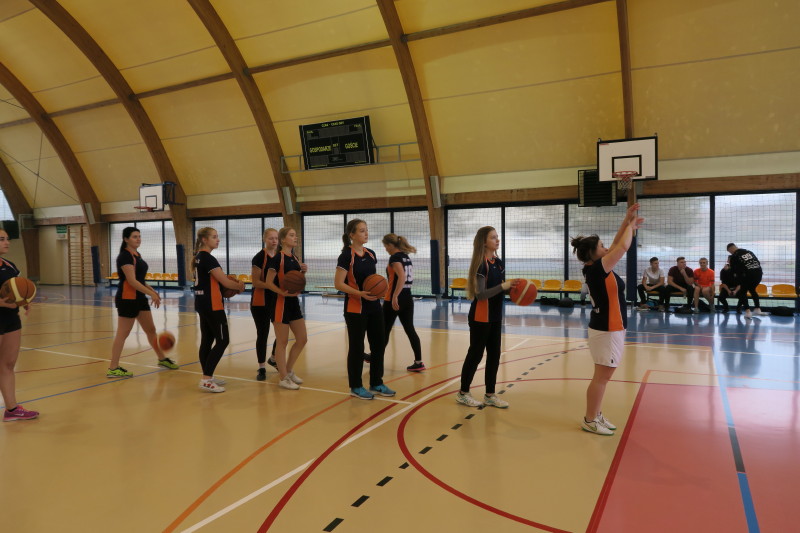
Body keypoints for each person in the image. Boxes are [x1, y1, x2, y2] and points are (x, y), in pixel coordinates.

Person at [571, 203, 644, 435]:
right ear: (592, 254)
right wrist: (631, 227)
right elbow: (622, 246)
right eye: (601, 246)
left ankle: (596, 414)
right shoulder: (597, 269)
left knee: (603, 377)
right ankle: (590, 419)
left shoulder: (597, 266)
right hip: (606, 329)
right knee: (602, 378)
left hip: (610, 328)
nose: (605, 248)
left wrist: (626, 221)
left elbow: (615, 245)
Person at [455, 226, 518, 409]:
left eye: (497, 237)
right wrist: (503, 286)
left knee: (494, 355)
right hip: (480, 317)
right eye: (493, 237)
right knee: (475, 355)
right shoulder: (481, 264)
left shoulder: (499, 262)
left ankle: (490, 395)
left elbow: (499, 289)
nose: (497, 240)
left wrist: (514, 290)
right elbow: (481, 294)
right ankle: (463, 393)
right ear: (484, 242)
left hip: (495, 316)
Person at [334, 219, 395, 400]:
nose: (366, 233)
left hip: (374, 306)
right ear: (352, 235)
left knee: (378, 344)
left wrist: (380, 290)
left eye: (366, 230)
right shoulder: (346, 256)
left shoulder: (371, 254)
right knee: (357, 347)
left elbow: (373, 280)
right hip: (355, 308)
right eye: (361, 231)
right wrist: (359, 293)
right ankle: (356, 386)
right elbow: (338, 283)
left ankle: (376, 382)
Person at [108, 227, 178, 377]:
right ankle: (113, 368)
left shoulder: (137, 255)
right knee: (122, 334)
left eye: (139, 236)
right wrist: (150, 293)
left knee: (151, 330)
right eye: (134, 237)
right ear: (126, 239)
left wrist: (152, 290)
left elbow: (139, 280)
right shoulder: (124, 256)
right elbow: (132, 281)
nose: (138, 239)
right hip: (127, 299)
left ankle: (162, 359)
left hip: (139, 298)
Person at [193, 226, 244, 392]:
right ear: (204, 240)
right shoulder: (208, 258)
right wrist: (239, 286)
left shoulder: (198, 257)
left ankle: (207, 375)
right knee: (223, 340)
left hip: (202, 303)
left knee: (207, 340)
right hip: (213, 304)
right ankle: (206, 379)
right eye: (214, 237)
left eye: (217, 236)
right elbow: (225, 282)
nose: (218, 239)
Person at [0, 229, 38, 421]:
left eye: (7, 239)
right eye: (1, 239)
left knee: (8, 364)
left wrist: (25, 301)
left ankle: (11, 409)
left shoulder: (10, 266)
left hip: (10, 319)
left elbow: (19, 289)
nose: (7, 242)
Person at [264, 227, 308, 390]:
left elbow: (296, 281)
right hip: (279, 303)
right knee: (282, 342)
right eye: (292, 235)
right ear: (283, 239)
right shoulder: (277, 258)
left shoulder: (295, 258)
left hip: (293, 302)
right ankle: (283, 378)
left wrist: (303, 272)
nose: (295, 237)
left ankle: (288, 370)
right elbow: (268, 282)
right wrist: (281, 292)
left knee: (302, 338)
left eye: (295, 235)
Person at [381, 233, 424, 372]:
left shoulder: (395, 258)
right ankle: (419, 362)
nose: (385, 249)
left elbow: (402, 276)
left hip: (394, 299)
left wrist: (394, 296)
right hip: (407, 298)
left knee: (384, 330)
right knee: (410, 329)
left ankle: (375, 358)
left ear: (390, 245)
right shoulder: (406, 257)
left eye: (385, 246)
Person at [250, 228, 279, 381]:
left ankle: (273, 358)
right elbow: (256, 282)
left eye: (276, 238)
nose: (274, 241)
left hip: (276, 299)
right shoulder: (259, 257)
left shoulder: (280, 256)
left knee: (282, 332)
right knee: (263, 334)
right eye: (271, 238)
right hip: (260, 301)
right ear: (264, 239)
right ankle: (261, 368)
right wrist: (273, 286)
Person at [727, 243, 766, 319]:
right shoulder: (749, 252)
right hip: (758, 274)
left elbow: (734, 270)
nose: (730, 253)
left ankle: (748, 312)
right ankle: (757, 309)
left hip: (748, 275)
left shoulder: (735, 256)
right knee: (752, 290)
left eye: (729, 252)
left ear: (730, 249)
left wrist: (736, 277)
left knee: (742, 292)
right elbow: (757, 262)